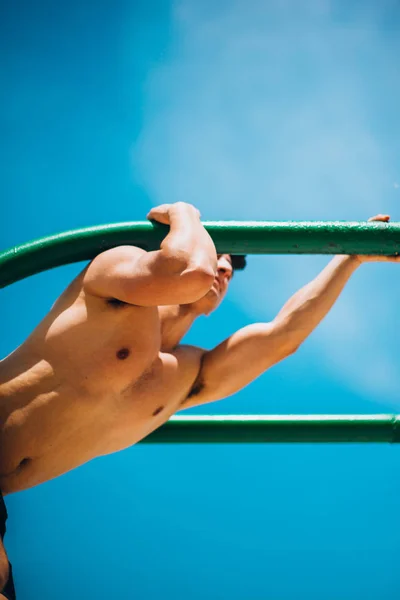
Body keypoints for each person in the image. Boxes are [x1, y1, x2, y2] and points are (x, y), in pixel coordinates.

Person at [0, 203, 398, 598]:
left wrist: (351, 257)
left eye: (230, 265)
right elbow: (188, 271)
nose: (224, 269)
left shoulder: (187, 376)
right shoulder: (113, 279)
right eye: (217, 252)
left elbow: (282, 337)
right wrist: (184, 211)